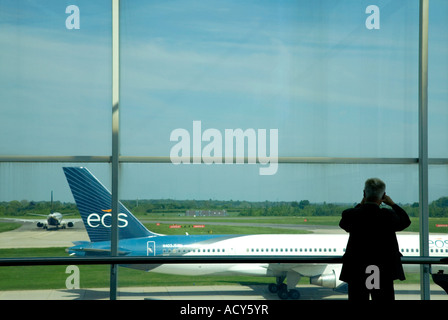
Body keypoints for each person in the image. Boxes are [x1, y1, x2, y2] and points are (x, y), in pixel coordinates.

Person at [339, 178, 411, 301]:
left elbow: (344, 223)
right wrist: (393, 204)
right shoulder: (388, 215)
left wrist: (361, 204)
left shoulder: (352, 214)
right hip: (383, 270)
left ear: (364, 194)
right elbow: (405, 221)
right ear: (383, 195)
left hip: (358, 270)